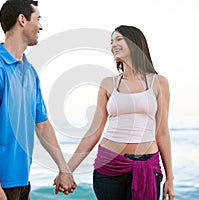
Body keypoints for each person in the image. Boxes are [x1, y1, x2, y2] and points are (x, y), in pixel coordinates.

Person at [0, 0, 75, 199]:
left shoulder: (29, 72)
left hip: (20, 178)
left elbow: (42, 124)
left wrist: (63, 168)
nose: (41, 26)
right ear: (22, 20)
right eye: (38, 19)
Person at [55, 25, 175, 199]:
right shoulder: (108, 83)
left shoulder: (159, 83)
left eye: (119, 39)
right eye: (111, 41)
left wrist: (170, 178)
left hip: (147, 166)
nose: (113, 45)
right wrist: (67, 170)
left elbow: (162, 131)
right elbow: (94, 131)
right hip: (109, 166)